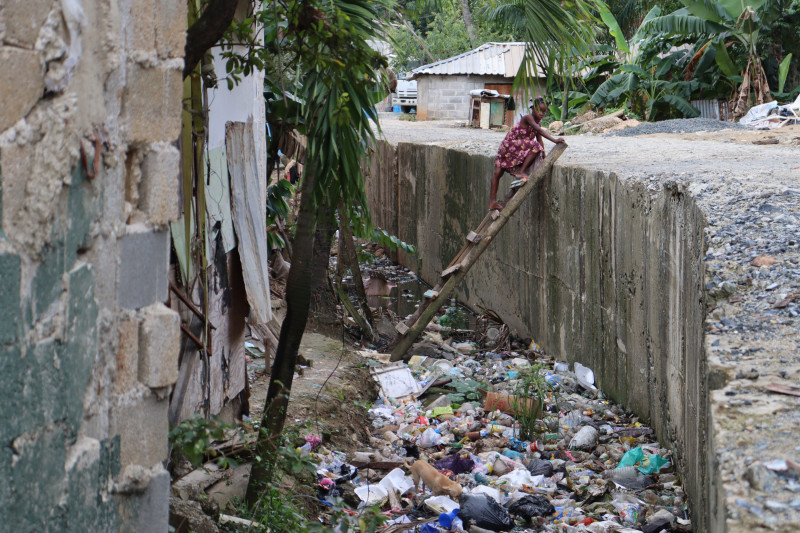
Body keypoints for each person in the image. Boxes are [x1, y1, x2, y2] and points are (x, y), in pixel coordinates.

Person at [488, 96, 565, 210]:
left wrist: (543, 155)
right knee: (534, 146)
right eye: (539, 110)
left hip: (511, 148)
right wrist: (555, 140)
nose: (542, 113)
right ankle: (521, 171)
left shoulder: (537, 123)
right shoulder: (527, 118)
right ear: (533, 109)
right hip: (510, 146)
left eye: (544, 111)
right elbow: (539, 132)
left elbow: (540, 140)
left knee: (498, 172)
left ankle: (492, 202)